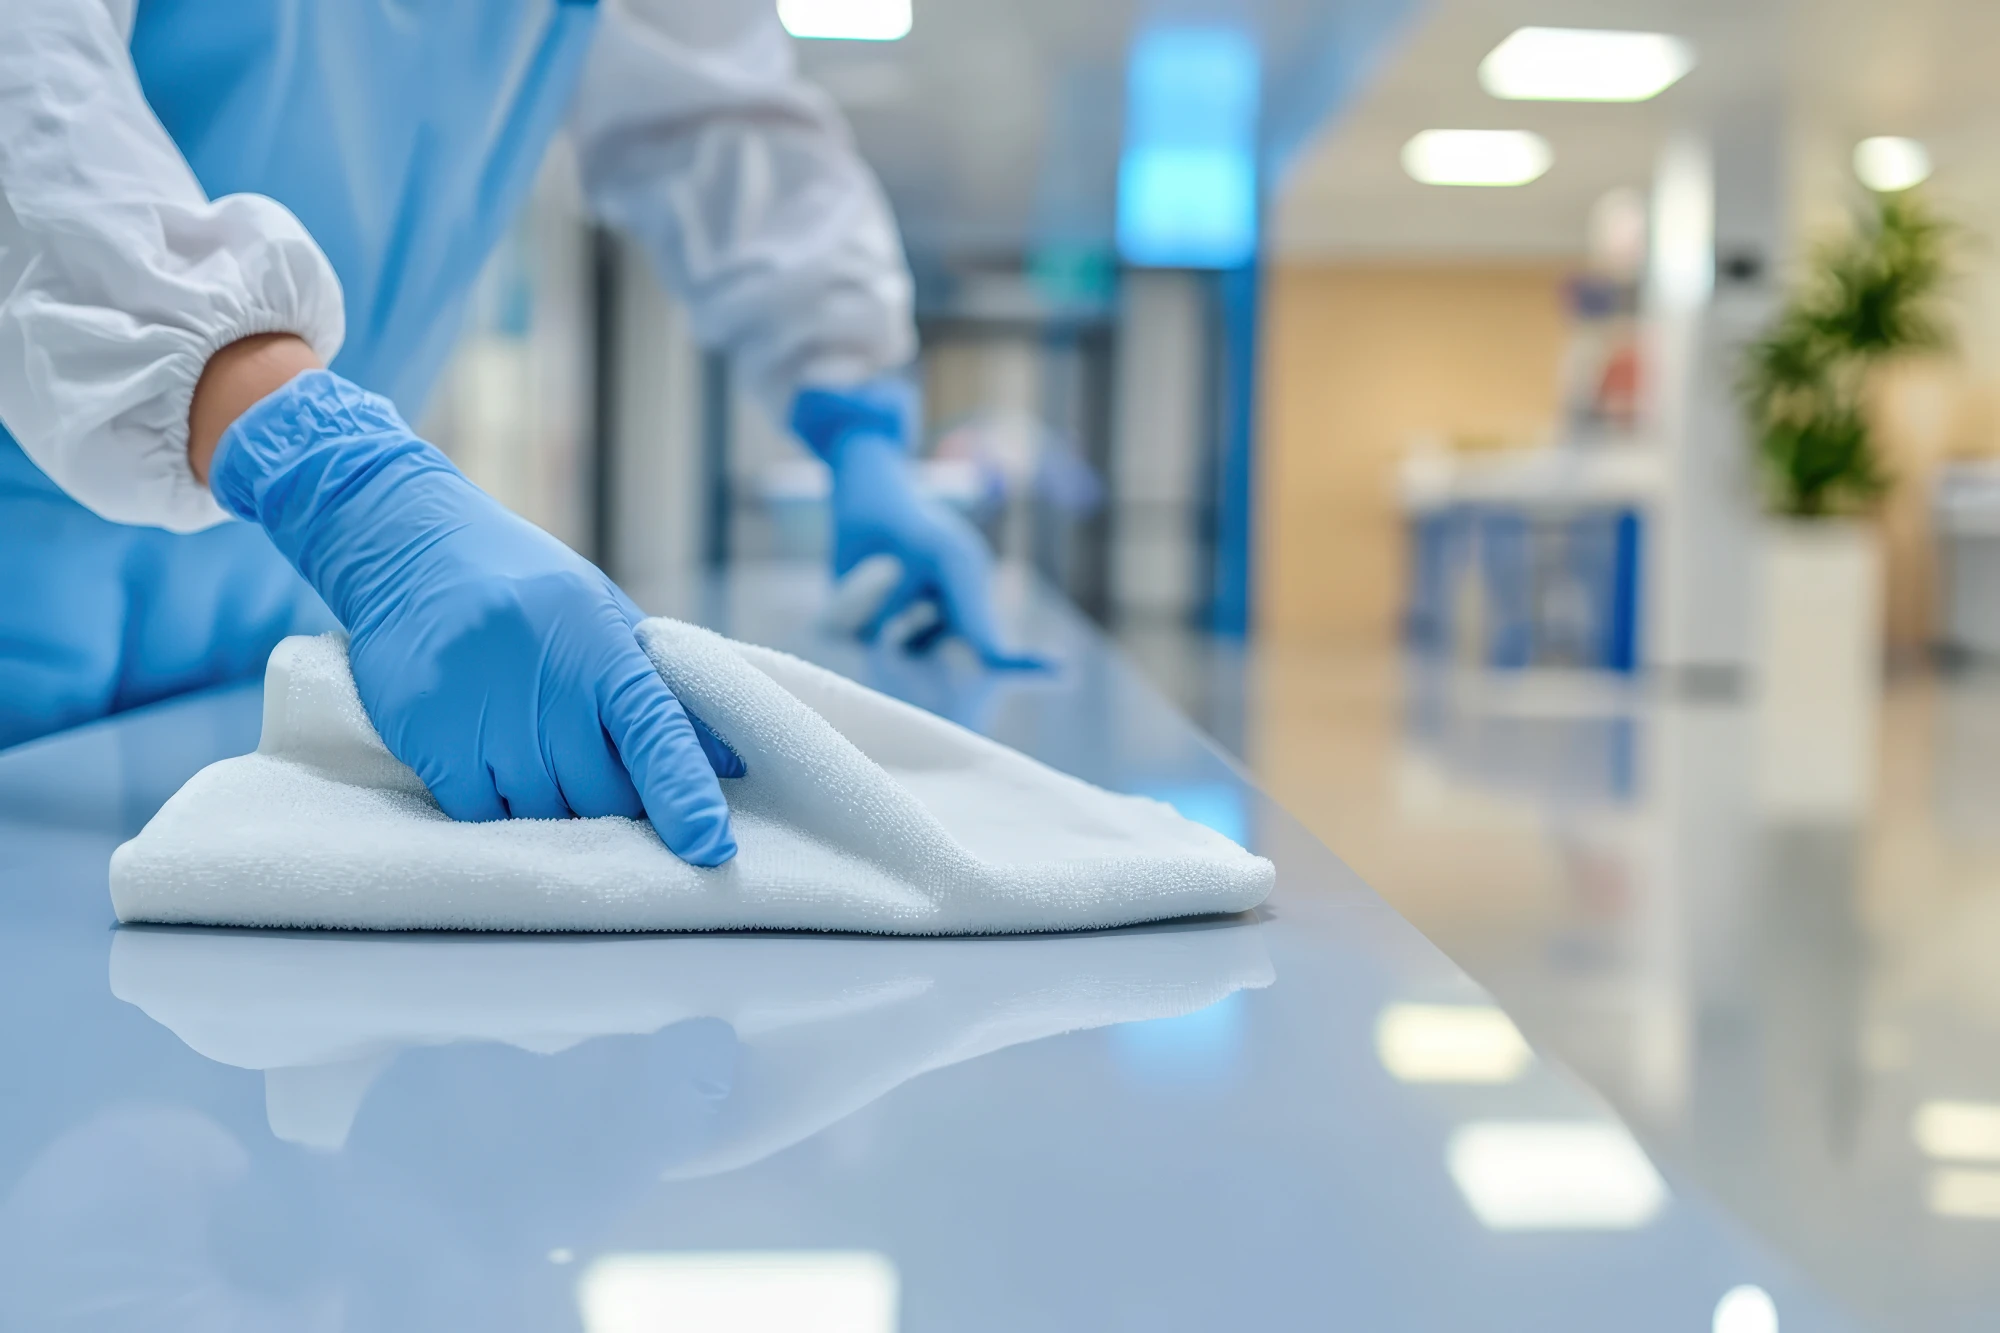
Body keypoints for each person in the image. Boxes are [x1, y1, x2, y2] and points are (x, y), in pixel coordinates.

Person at [0, 0, 1037, 866]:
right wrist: (328, 470)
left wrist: (853, 414)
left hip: (247, 621)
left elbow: (720, 118)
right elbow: (29, 91)